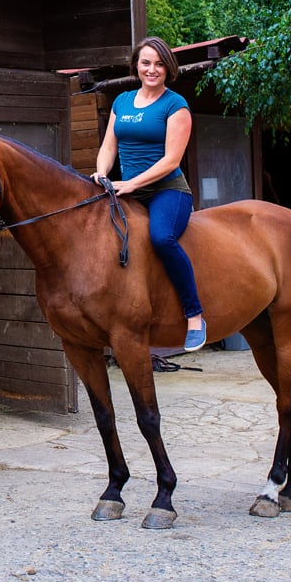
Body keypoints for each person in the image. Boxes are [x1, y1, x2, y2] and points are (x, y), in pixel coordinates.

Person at [93, 36, 207, 352]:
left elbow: (171, 160)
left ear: (168, 69)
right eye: (146, 62)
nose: (151, 69)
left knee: (160, 238)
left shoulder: (175, 105)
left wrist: (130, 184)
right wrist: (102, 173)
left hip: (167, 191)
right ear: (136, 66)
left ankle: (194, 314)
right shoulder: (122, 102)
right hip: (128, 191)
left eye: (159, 64)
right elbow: (108, 147)